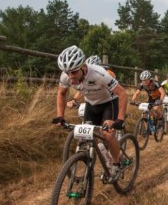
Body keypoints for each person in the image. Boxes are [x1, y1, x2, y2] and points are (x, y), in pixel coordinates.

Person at [54, 45, 128, 178]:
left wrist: (120, 119)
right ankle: (101, 155)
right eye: (67, 73)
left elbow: (122, 93)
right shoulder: (67, 75)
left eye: (74, 72)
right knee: (88, 135)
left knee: (108, 134)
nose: (71, 77)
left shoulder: (99, 73)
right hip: (91, 105)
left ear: (83, 66)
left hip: (108, 103)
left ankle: (117, 163)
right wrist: (60, 116)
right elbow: (61, 93)